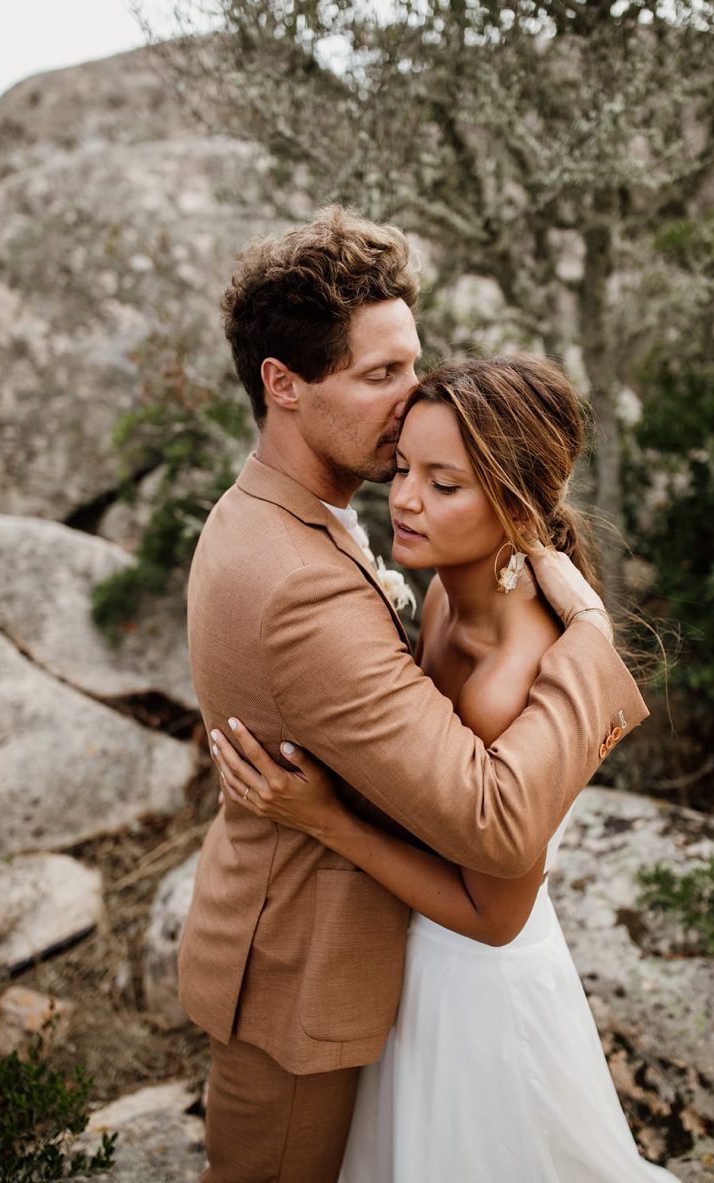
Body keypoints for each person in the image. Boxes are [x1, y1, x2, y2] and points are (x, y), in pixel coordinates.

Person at [178, 205, 648, 1183]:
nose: (410, 400)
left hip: (372, 970)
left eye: (412, 365)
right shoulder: (299, 579)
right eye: (380, 374)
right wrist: (597, 638)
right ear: (285, 386)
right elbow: (492, 819)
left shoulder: (290, 508)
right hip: (300, 987)